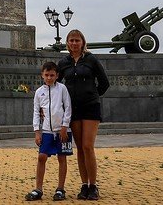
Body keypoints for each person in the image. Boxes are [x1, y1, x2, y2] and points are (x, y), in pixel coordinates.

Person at [57, 29, 109, 201]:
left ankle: (93, 186)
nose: (74, 43)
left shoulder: (91, 59)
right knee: (79, 148)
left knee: (88, 146)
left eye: (77, 40)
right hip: (72, 109)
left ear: (82, 42)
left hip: (90, 107)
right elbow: (56, 85)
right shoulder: (63, 62)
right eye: (71, 40)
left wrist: (92, 94)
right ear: (67, 43)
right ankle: (84, 185)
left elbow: (104, 82)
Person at [26, 61, 73, 201]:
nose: (49, 78)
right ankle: (38, 188)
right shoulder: (39, 92)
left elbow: (68, 107)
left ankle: (60, 189)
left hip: (62, 130)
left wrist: (65, 126)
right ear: (42, 75)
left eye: (52, 75)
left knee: (61, 157)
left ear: (57, 75)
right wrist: (37, 131)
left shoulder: (62, 88)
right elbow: (36, 112)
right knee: (42, 157)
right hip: (46, 130)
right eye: (46, 75)